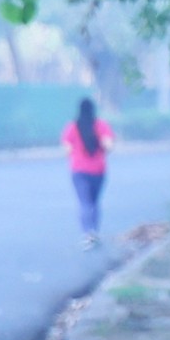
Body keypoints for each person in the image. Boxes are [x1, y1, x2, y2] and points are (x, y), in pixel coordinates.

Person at [62, 95, 113, 247]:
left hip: (79, 171)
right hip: (98, 170)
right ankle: (95, 232)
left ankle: (87, 234)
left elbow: (67, 150)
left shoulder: (72, 127)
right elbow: (108, 146)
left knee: (84, 203)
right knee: (94, 202)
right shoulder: (101, 125)